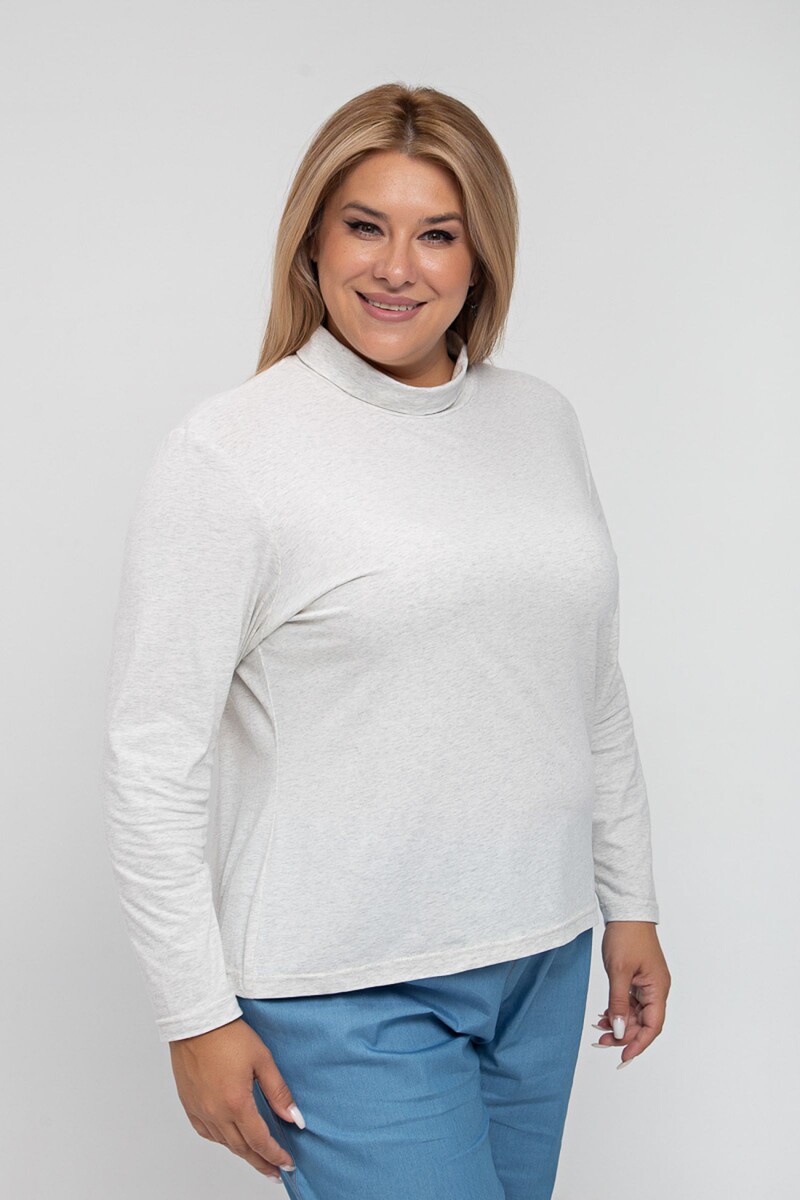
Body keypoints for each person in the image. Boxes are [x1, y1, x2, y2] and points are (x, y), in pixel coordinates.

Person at [101, 82, 671, 1198]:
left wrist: (630, 906)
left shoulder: (540, 421)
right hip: (345, 988)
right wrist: (193, 1015)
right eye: (365, 225)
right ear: (312, 241)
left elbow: (589, 688)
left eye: (437, 234)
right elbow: (151, 756)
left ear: (481, 256)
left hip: (542, 959)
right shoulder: (230, 453)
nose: (396, 268)